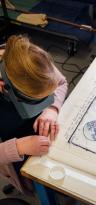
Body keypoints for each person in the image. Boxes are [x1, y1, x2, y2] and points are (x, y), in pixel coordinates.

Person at [0, 35, 68, 193]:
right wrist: (19, 147)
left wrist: (52, 109)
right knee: (33, 182)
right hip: (13, 146)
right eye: (38, 101)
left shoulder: (28, 58)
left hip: (35, 133)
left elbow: (61, 83)